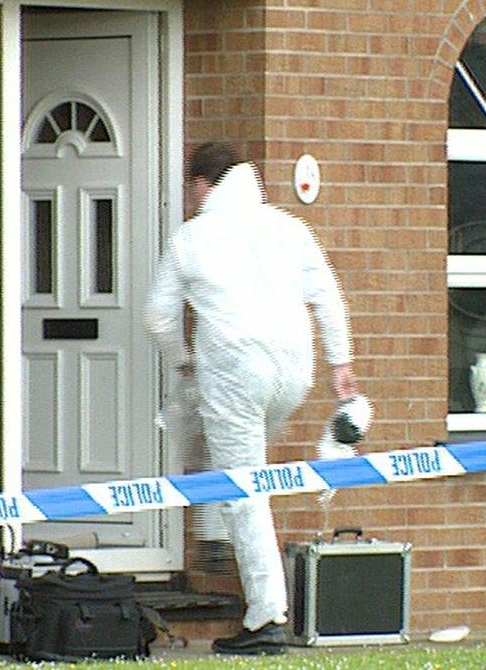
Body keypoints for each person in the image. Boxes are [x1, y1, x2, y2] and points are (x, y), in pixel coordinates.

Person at [146, 142, 357, 655]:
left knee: (244, 491)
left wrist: (183, 362)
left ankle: (266, 616)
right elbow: (327, 297)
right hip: (294, 372)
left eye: (191, 187)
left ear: (203, 183)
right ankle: (216, 524)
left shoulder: (191, 238)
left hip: (235, 371)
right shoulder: (289, 227)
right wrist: (340, 365)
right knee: (244, 472)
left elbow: (158, 315)